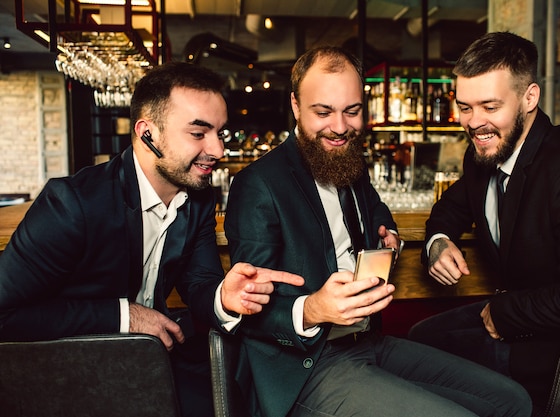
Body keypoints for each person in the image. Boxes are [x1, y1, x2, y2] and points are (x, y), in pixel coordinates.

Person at [224, 46, 532, 417]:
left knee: (513, 402)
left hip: (367, 343)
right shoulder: (258, 185)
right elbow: (250, 307)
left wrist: (391, 236)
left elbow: (377, 212)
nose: (339, 127)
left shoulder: (349, 163)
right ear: (295, 105)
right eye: (323, 112)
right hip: (303, 368)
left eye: (351, 112)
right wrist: (312, 309)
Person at [0, 62, 304, 417]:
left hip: (153, 360)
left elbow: (199, 282)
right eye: (198, 133)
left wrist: (224, 296)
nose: (218, 149)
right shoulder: (72, 204)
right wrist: (124, 316)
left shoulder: (198, 200)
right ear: (148, 133)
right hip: (67, 372)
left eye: (220, 133)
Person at [408, 31, 560, 410]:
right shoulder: (484, 154)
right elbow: (451, 207)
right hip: (517, 323)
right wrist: (438, 241)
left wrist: (504, 313)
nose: (474, 123)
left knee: (415, 363)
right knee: (416, 339)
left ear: (529, 98)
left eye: (490, 106)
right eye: (465, 107)